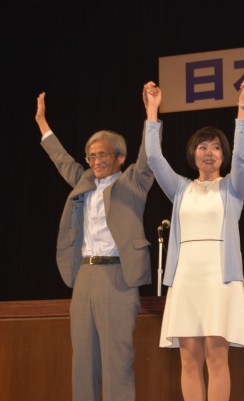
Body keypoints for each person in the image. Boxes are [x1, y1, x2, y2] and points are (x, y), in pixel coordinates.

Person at [35, 92, 155, 401]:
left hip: (117, 277)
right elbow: (61, 159)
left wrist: (152, 112)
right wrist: (42, 124)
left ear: (119, 157)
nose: (96, 161)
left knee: (117, 362)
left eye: (103, 155)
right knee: (83, 361)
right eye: (91, 156)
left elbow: (148, 157)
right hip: (84, 277)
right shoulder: (84, 181)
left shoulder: (133, 182)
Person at [143, 80, 244, 401]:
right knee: (189, 360)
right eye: (203, 147)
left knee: (217, 359)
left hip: (220, 280)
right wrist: (152, 110)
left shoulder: (233, 188)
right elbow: (153, 158)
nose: (209, 152)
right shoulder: (180, 189)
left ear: (223, 154)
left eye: (216, 147)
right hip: (186, 279)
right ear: (193, 153)